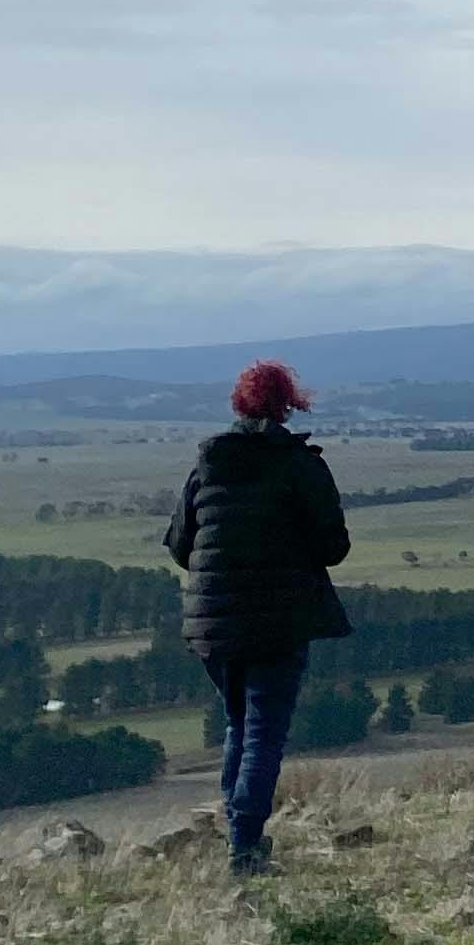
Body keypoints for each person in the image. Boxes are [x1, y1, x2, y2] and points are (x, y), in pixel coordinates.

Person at [165, 359, 352, 876]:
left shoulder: (207, 464)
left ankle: (240, 834)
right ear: (289, 404)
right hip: (279, 621)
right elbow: (333, 548)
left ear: (239, 404)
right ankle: (245, 847)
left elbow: (180, 546)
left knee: (239, 725)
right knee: (264, 733)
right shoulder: (299, 464)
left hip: (213, 623)